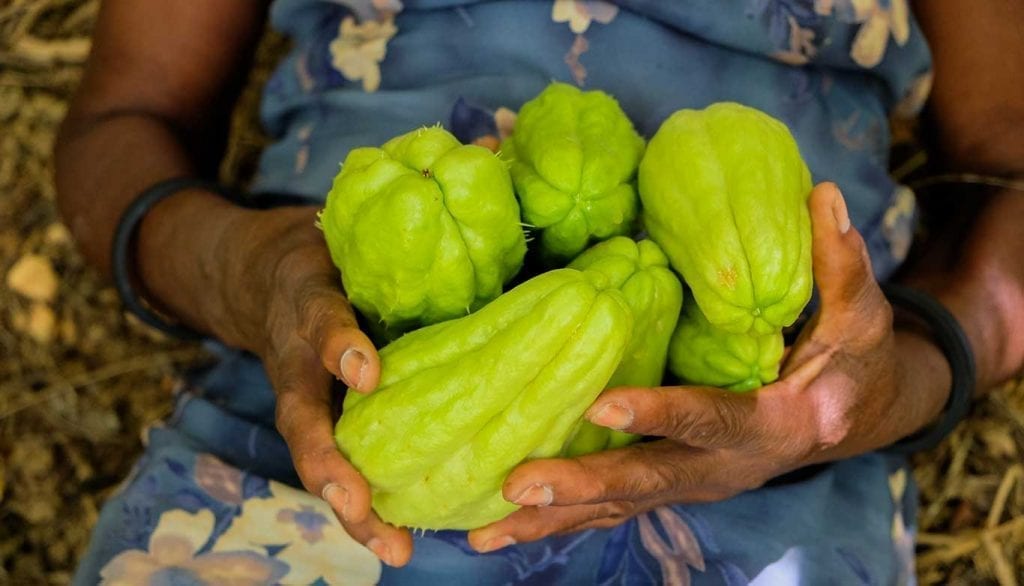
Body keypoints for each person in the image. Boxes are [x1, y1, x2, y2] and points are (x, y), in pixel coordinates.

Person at [56, 0, 1023, 583]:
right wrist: (243, 272)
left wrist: (886, 383)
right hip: (318, 404)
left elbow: (1010, 177)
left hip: (773, 464)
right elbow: (124, 117)